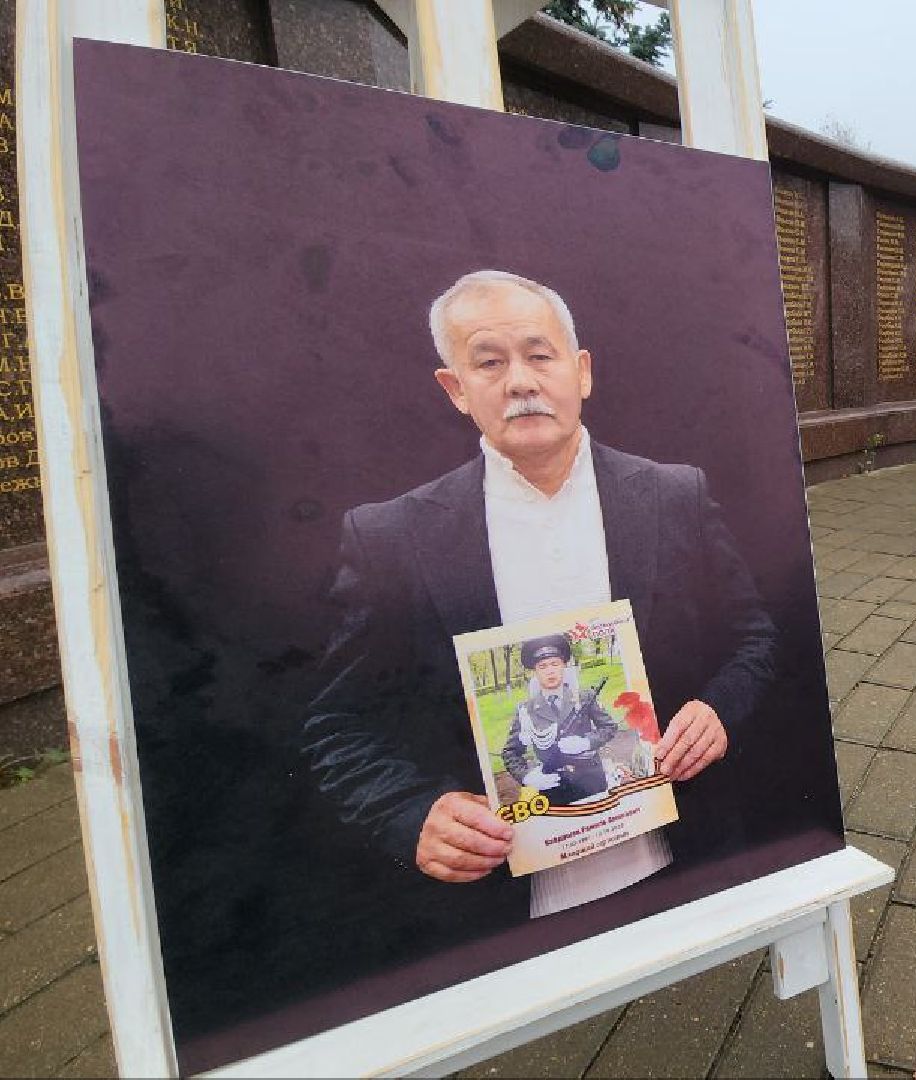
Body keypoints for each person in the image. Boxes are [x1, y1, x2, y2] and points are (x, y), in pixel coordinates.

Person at [304, 269, 779, 925]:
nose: (520, 381)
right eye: (489, 363)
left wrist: (717, 709)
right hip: (499, 904)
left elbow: (752, 638)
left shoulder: (675, 497)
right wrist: (410, 813)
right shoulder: (393, 537)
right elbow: (339, 725)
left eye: (539, 355)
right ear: (456, 389)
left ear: (580, 371)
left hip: (680, 859)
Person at [500, 634, 620, 806]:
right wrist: (527, 776)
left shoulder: (585, 697)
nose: (550, 671)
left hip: (590, 780)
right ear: (535, 671)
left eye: (555, 664)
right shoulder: (526, 710)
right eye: (542, 666)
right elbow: (510, 752)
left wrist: (586, 742)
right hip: (552, 785)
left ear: (564, 665)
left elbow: (609, 727)